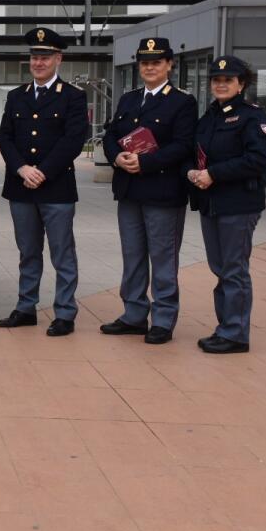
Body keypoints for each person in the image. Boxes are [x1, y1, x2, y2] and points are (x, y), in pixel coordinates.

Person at [100, 37, 198, 344]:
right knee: (133, 256)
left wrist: (144, 162)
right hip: (129, 190)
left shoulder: (183, 102)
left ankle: (164, 319)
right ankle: (134, 315)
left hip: (163, 191)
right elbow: (111, 134)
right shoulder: (129, 99)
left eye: (157, 62)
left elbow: (183, 146)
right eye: (145, 62)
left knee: (163, 257)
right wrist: (116, 157)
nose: (150, 67)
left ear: (169, 64)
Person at [0, 27, 90, 336]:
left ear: (58, 59)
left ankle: (64, 312)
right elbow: (5, 138)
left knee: (62, 252)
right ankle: (26, 308)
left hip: (56, 187)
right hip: (21, 187)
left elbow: (74, 140)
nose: (38, 63)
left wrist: (43, 172)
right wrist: (23, 169)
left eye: (45, 57)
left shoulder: (73, 97)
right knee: (28, 251)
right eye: (35, 57)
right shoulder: (16, 96)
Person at [187, 55, 266, 355]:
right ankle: (225, 328)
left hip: (238, 204)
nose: (221, 84)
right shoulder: (210, 116)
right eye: (216, 80)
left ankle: (235, 334)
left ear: (241, 84)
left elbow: (257, 160)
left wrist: (213, 174)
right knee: (221, 267)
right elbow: (196, 152)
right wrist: (193, 172)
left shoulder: (252, 117)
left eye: (228, 80)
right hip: (211, 203)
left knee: (234, 269)